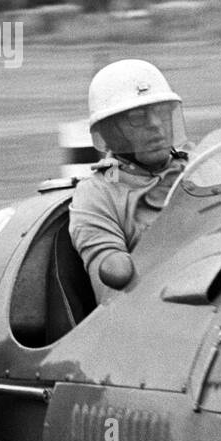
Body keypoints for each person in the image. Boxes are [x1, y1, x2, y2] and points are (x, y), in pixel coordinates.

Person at [69, 58, 196, 299]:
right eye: (138, 118)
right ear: (110, 131)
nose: (156, 125)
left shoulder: (199, 165)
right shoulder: (98, 192)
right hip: (160, 313)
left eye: (161, 113)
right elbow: (114, 293)